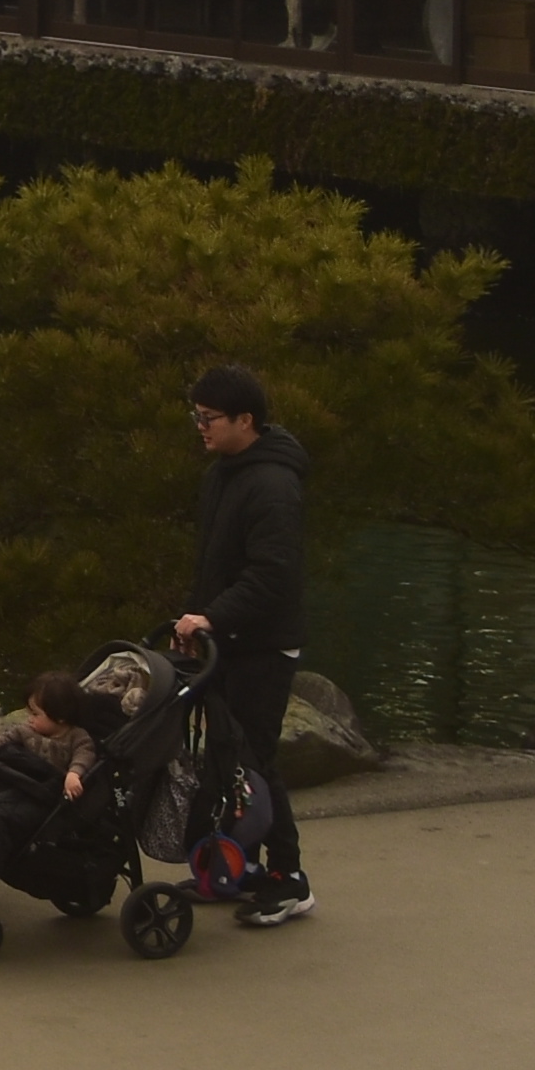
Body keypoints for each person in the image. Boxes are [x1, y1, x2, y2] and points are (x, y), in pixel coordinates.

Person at [171, 362, 315, 927]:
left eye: (208, 418)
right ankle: (236, 865)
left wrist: (211, 616)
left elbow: (271, 576)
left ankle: (289, 877)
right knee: (226, 759)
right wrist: (196, 625)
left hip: (263, 645)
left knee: (256, 761)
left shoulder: (274, 484)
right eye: (197, 416)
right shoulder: (224, 472)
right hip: (226, 640)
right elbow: (214, 565)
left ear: (244, 420)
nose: (200, 427)